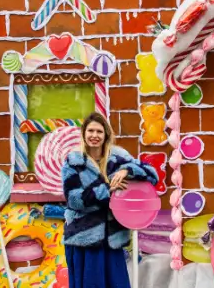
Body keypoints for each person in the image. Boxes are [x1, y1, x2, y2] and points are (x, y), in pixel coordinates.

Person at [61, 113, 158, 288]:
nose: (94, 135)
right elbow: (74, 199)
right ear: (83, 133)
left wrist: (127, 170)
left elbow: (152, 175)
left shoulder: (118, 157)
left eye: (99, 131)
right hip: (84, 237)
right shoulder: (74, 161)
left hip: (112, 238)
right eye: (90, 131)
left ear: (106, 134)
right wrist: (106, 191)